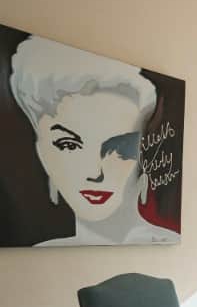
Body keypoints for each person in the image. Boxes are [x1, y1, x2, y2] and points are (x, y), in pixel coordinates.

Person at [9, 36, 178, 246]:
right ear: (41, 153)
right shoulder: (44, 253)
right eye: (68, 145)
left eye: (119, 147)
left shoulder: (169, 245)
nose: (94, 173)